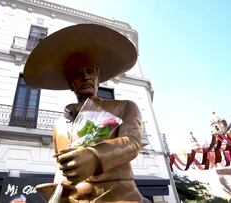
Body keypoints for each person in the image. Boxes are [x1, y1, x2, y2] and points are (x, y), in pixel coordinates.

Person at [24, 24, 149, 202]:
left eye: (90, 71)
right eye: (77, 74)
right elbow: (61, 166)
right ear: (70, 83)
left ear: (98, 77)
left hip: (118, 195)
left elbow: (132, 143)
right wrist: (57, 192)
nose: (85, 77)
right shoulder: (60, 124)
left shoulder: (126, 107)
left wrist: (95, 156)